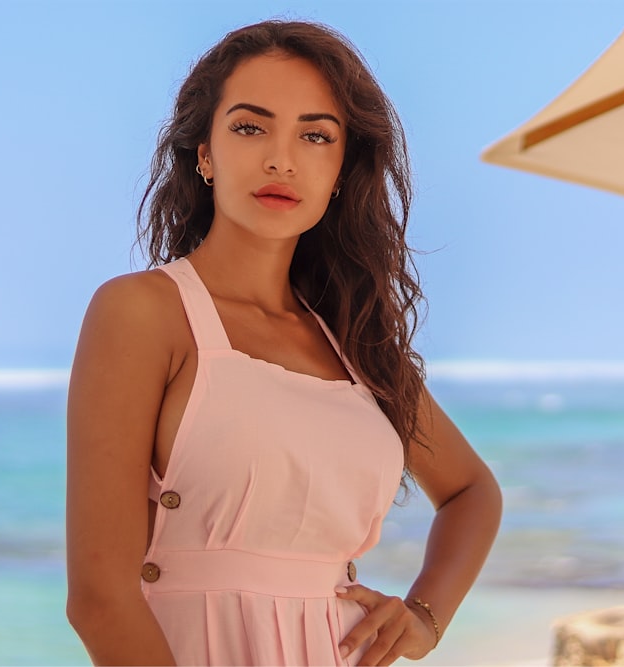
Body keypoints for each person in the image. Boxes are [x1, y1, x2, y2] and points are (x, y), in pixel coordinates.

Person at [65, 20, 502, 666]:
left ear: (338, 172)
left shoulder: (356, 344)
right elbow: (100, 599)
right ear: (204, 154)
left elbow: (472, 492)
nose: (281, 158)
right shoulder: (142, 313)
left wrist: (423, 615)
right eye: (250, 127)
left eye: (315, 135)